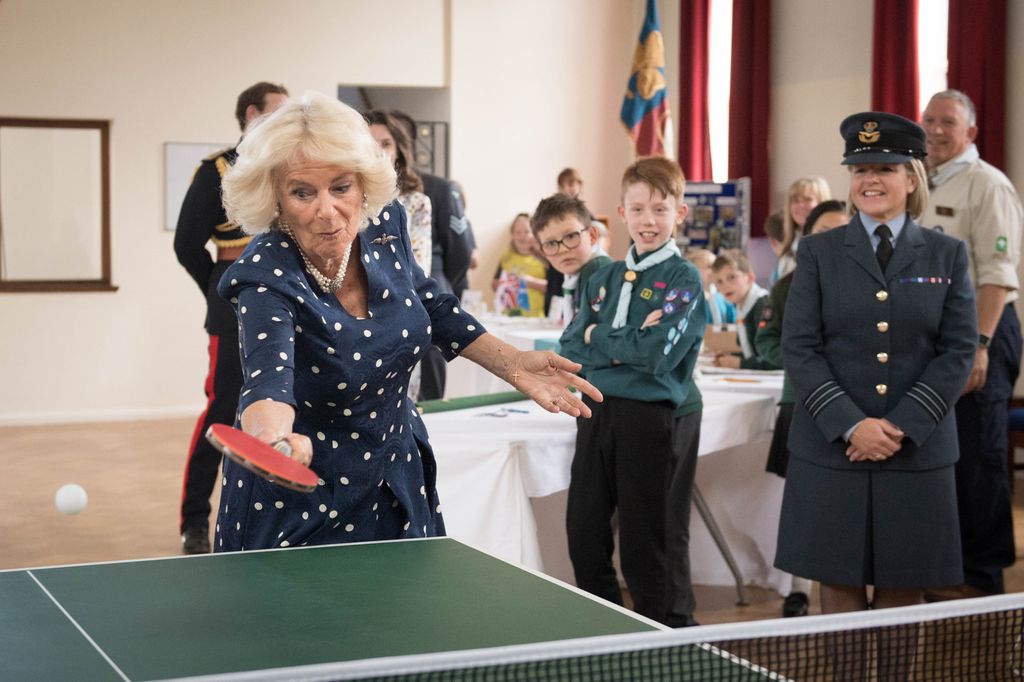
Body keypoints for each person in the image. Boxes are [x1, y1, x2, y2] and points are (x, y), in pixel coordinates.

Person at [212, 91, 601, 552]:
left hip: (395, 473)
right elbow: (267, 377)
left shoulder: (384, 223)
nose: (326, 209)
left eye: (341, 187)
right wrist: (270, 440)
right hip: (303, 494)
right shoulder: (266, 272)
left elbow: (430, 302)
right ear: (274, 196)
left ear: (363, 184)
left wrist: (512, 363)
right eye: (302, 192)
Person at [777, 111, 976, 631]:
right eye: (860, 168)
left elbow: (958, 352)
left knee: (903, 585)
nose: (870, 179)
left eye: (885, 167)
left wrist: (899, 427)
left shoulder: (948, 254)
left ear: (912, 179)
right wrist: (852, 424)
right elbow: (799, 347)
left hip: (916, 450)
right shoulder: (818, 252)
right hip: (831, 447)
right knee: (837, 581)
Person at [559, 156, 706, 627]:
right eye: (638, 209)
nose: (649, 220)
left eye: (660, 210)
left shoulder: (684, 279)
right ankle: (606, 631)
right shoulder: (599, 275)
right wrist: (617, 341)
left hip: (647, 417)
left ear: (678, 214)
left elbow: (656, 356)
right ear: (621, 214)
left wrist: (596, 336)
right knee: (584, 533)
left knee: (645, 542)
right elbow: (569, 344)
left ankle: (656, 639)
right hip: (594, 410)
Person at [172, 81, 289, 554]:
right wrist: (221, 290)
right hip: (232, 308)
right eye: (277, 112)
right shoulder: (216, 170)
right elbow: (185, 245)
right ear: (251, 113)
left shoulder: (288, 166)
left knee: (285, 408)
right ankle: (195, 520)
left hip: (286, 302)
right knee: (223, 411)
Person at [919, 89, 1024, 599]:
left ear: (971, 133)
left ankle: (982, 578)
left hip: (980, 330)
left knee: (979, 455)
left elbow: (998, 278)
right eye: (930, 120)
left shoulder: (987, 185)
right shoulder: (918, 181)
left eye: (948, 122)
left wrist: (979, 345)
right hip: (931, 337)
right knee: (942, 455)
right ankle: (944, 567)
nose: (936, 130)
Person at [755, 199, 848, 617]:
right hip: (802, 403)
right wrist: (805, 363)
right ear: (807, 237)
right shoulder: (787, 285)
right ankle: (798, 589)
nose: (831, 238)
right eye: (822, 230)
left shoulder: (871, 283)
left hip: (856, 411)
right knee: (804, 502)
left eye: (841, 229)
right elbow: (768, 341)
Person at [388, 110, 474, 400]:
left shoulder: (436, 189)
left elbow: (460, 252)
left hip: (427, 288)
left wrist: (442, 287)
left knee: (428, 391)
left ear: (404, 145)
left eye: (386, 142)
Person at [365, 109, 432, 399]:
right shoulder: (344, 197)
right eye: (369, 143)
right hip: (351, 319)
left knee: (401, 407)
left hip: (399, 313)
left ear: (398, 151)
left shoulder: (415, 202)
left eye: (385, 143)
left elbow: (415, 266)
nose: (377, 151)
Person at [531, 193, 612, 325]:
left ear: (592, 235)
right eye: (551, 243)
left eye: (570, 236)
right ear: (543, 251)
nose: (563, 249)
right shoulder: (575, 276)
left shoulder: (598, 270)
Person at [710, 251, 774, 370]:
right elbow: (752, 351)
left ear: (749, 278)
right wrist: (729, 357)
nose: (725, 286)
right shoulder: (741, 307)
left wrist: (741, 363)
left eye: (731, 277)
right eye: (719, 282)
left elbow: (775, 359)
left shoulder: (762, 305)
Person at [764, 177, 831, 284]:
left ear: (823, 203)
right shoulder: (790, 247)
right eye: (795, 201)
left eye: (808, 199)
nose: (800, 205)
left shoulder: (831, 244)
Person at [492, 213, 547, 317]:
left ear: (535, 234)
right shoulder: (506, 258)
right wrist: (500, 284)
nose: (522, 236)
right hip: (507, 316)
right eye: (517, 232)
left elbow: (554, 288)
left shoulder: (543, 258)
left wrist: (529, 281)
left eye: (527, 232)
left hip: (536, 317)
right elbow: (495, 284)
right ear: (512, 235)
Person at [686, 249, 736, 326]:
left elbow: (733, 322)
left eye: (716, 267)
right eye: (709, 266)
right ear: (694, 270)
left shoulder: (722, 298)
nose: (714, 270)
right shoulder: (689, 299)